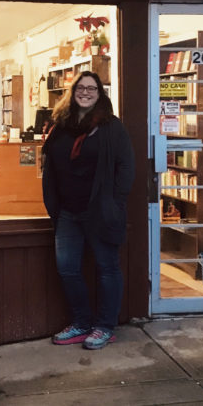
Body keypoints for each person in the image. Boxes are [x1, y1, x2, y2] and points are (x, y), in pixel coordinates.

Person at [41, 70, 135, 351]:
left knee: (107, 267)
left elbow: (126, 167)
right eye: (80, 88)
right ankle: (81, 323)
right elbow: (51, 164)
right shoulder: (61, 125)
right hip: (68, 212)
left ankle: (104, 326)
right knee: (67, 268)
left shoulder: (112, 126)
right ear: (72, 92)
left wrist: (115, 201)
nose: (85, 92)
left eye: (91, 89)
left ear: (100, 93)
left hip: (101, 211)